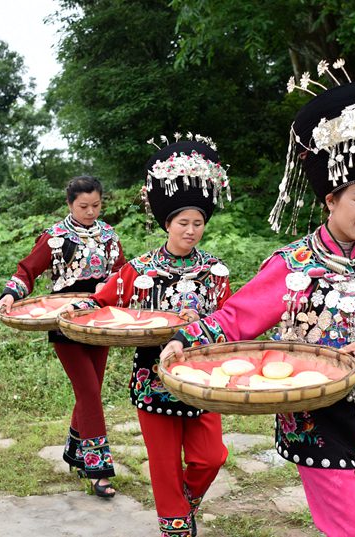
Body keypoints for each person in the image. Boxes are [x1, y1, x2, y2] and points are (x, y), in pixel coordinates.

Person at [162, 57, 355, 536]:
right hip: (310, 415)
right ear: (331, 198)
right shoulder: (294, 263)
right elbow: (238, 316)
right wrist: (188, 338)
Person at [74, 135, 232, 536]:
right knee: (162, 464)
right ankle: (175, 526)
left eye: (198, 223)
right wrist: (82, 310)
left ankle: (185, 502)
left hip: (202, 380)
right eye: (184, 223)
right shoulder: (139, 268)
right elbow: (103, 300)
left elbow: (230, 319)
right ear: (167, 224)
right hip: (153, 379)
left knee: (210, 458)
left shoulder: (215, 272)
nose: (192, 230)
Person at [0, 176, 126, 497]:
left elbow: (122, 275)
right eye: (84, 206)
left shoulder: (109, 236)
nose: (91, 212)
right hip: (64, 322)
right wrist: (10, 293)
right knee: (90, 392)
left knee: (90, 389)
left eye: (96, 205)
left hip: (99, 322)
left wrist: (111, 287)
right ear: (69, 204)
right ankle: (98, 469)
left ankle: (74, 451)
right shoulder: (55, 238)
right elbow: (28, 270)